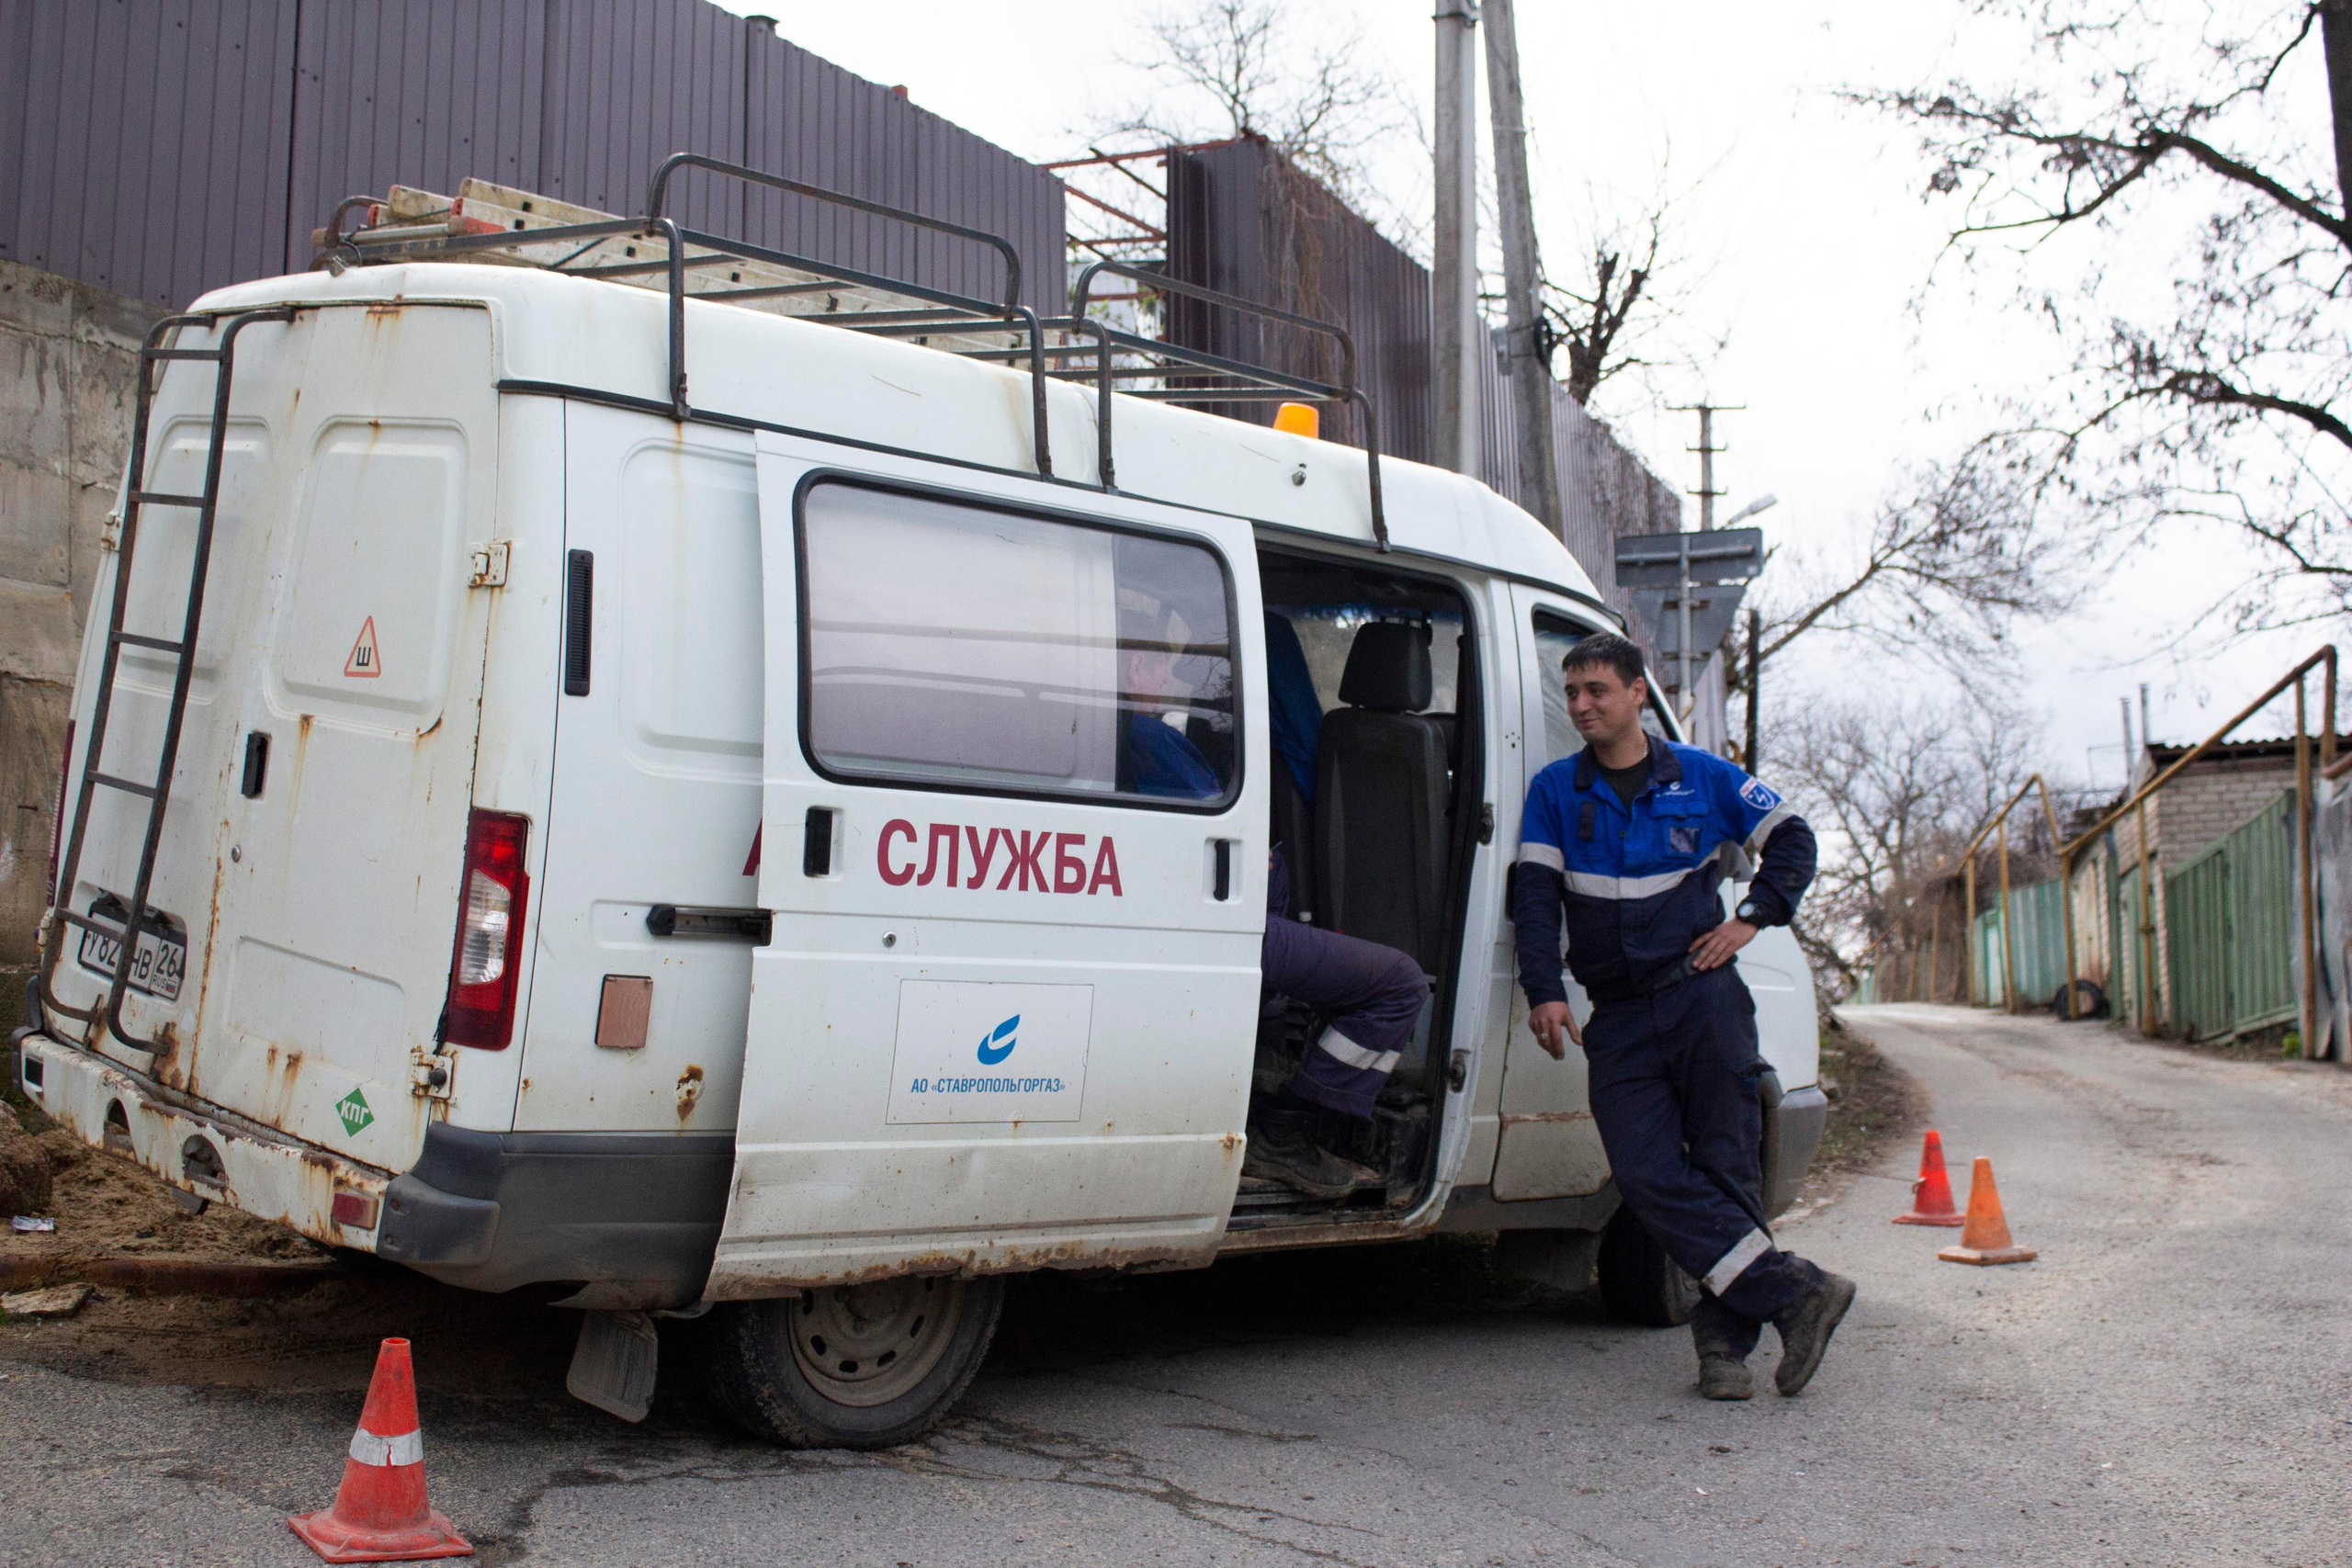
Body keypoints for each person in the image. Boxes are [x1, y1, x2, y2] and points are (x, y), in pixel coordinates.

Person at [1510, 633, 1854, 1400]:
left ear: (1639, 693)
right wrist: (1545, 988)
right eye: (1571, 693)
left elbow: (1792, 838)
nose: (1581, 706)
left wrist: (1753, 917)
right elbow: (1533, 899)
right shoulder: (1553, 791)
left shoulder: (1703, 776)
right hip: (1622, 1014)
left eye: (1596, 689)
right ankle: (1798, 1291)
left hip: (1704, 1001)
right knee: (1644, 1170)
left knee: (1728, 1166)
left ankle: (1723, 1350)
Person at [1117, 604, 1427, 1198]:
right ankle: (1287, 1130)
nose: (1171, 682)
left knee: (1279, 878)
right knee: (1401, 984)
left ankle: (1261, 1053)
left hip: (1188, 920)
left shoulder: (1117, 732)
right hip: (1220, 922)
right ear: (1136, 663)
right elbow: (1223, 835)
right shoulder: (1150, 735)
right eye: (1161, 666)